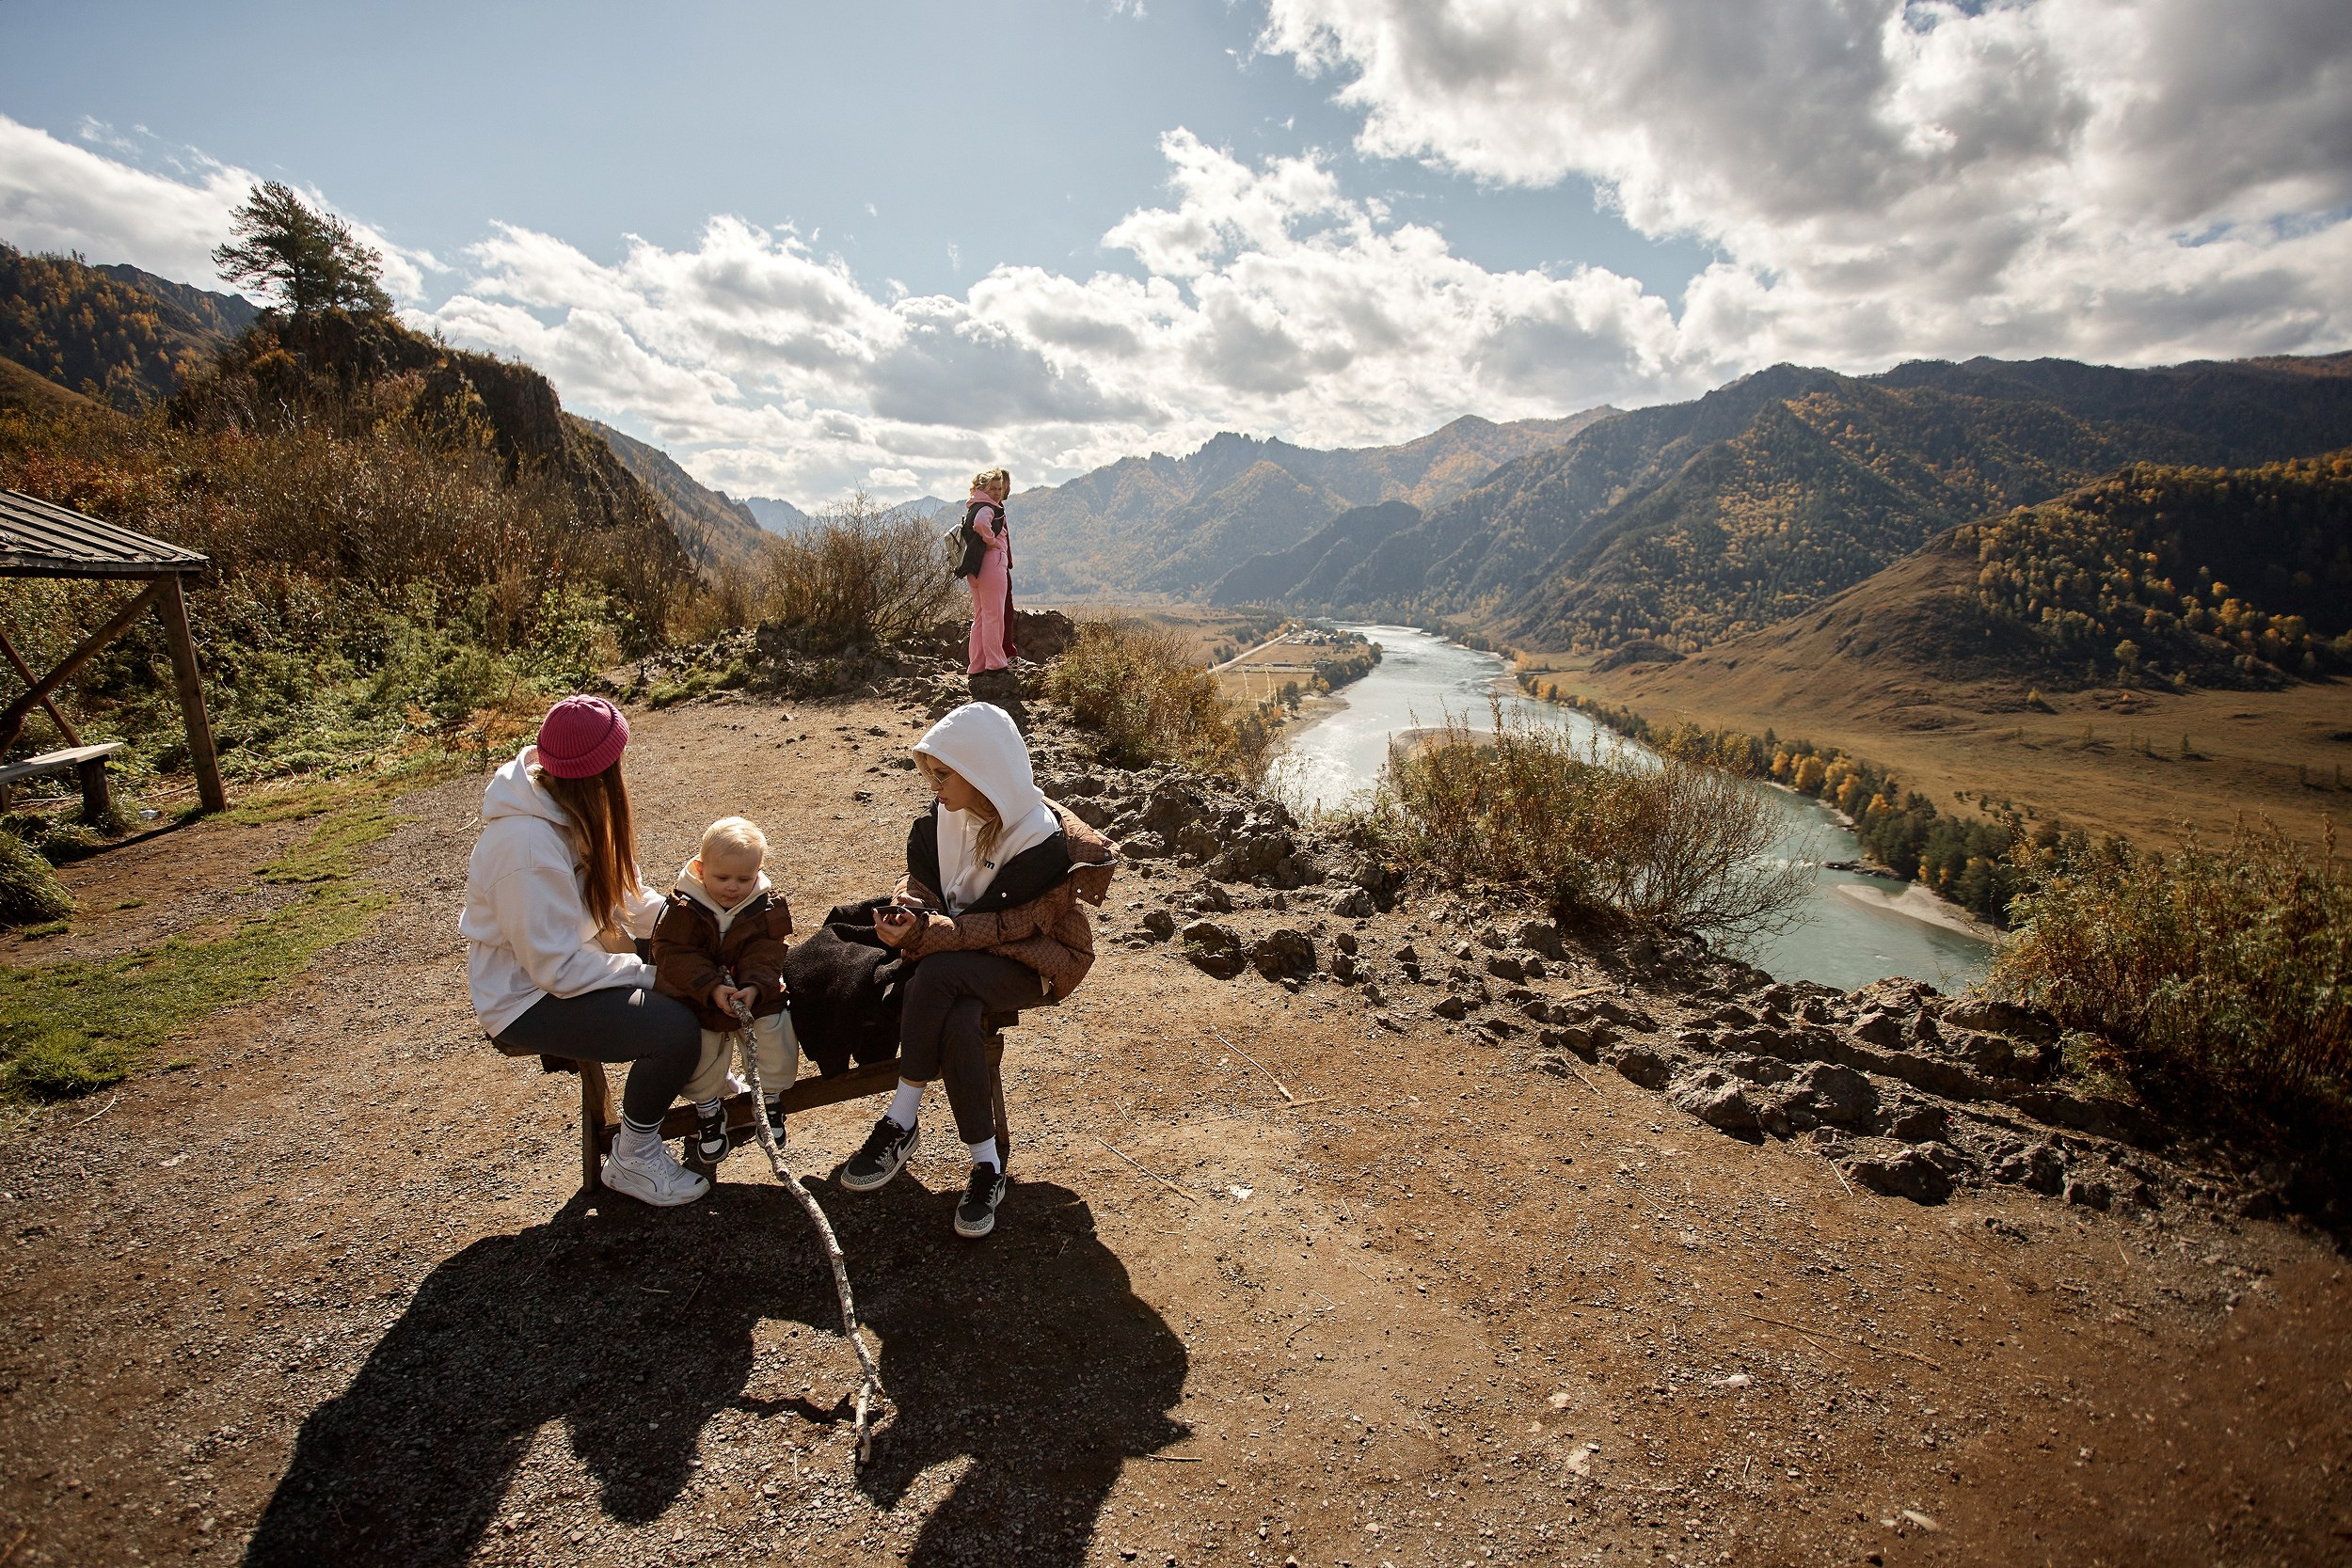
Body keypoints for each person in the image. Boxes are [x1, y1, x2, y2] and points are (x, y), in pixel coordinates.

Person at [838, 701, 1115, 1238]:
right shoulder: (947, 816)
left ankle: (900, 1119)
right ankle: (988, 1166)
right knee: (960, 1012)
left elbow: (1014, 925)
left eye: (944, 774)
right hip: (961, 959)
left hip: (1029, 961)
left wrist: (930, 934)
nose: (934, 786)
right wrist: (908, 910)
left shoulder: (1040, 839)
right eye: (931, 774)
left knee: (937, 976)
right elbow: (923, 881)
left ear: (980, 772)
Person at [460, 695, 708, 1208]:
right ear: (602, 771)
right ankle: (634, 1157)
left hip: (571, 967)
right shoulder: (524, 846)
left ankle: (707, 1086)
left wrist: (700, 926)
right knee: (672, 1028)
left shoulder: (579, 809)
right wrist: (650, 975)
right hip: (527, 999)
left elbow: (630, 899)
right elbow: (555, 969)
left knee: (695, 961)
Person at [651, 816, 798, 1163]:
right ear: (701, 870)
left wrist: (755, 986)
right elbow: (673, 953)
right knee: (700, 1040)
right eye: (722, 878)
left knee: (774, 1025)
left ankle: (769, 1097)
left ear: (758, 872)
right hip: (698, 992)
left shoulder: (766, 904)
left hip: (750, 989)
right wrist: (711, 987)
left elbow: (768, 949)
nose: (733, 887)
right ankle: (708, 1106)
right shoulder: (683, 906)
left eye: (744, 879)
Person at [962, 467, 1015, 676]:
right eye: (992, 488)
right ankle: (995, 664)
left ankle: (976, 666)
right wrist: (991, 541)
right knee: (994, 616)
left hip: (976, 568)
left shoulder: (974, 505)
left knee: (981, 617)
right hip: (992, 565)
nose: (997, 493)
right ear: (982, 488)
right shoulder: (988, 508)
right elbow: (981, 524)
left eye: (999, 488)